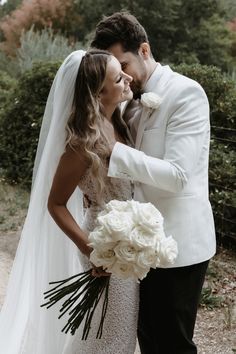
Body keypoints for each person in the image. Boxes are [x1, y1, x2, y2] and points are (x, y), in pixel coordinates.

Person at [91, 12, 216, 354]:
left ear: (144, 50)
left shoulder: (186, 94)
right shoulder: (127, 102)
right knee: (147, 341)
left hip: (179, 246)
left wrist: (114, 152)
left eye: (124, 63)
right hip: (136, 246)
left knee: (172, 344)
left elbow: (177, 176)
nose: (122, 76)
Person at [0, 49, 139, 354]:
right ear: (97, 95)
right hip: (104, 243)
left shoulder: (119, 120)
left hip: (129, 241)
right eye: (118, 78)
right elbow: (56, 203)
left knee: (115, 332)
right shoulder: (82, 144)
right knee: (110, 336)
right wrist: (89, 247)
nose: (129, 77)